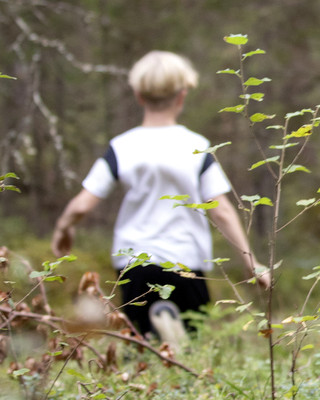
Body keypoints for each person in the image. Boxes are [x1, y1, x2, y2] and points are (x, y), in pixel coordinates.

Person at [51, 51, 269, 347]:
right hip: (186, 260)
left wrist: (64, 228)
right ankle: (176, 338)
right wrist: (250, 261)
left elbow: (82, 204)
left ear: (139, 96)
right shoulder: (197, 146)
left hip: (135, 262)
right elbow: (222, 211)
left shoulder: (122, 147)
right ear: (182, 95)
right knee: (192, 349)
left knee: (141, 346)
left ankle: (153, 339)